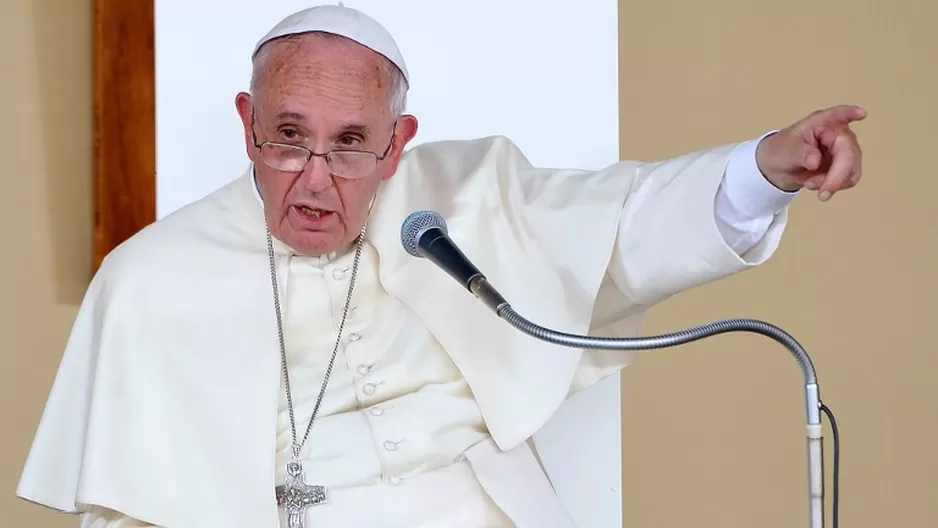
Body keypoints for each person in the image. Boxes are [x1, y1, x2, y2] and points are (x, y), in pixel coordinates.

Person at [17, 4, 865, 528]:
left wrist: (765, 169)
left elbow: (624, 224)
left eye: (351, 144)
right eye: (287, 137)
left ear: (399, 142)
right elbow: (129, 507)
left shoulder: (462, 199)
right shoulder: (152, 277)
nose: (315, 178)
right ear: (247, 125)